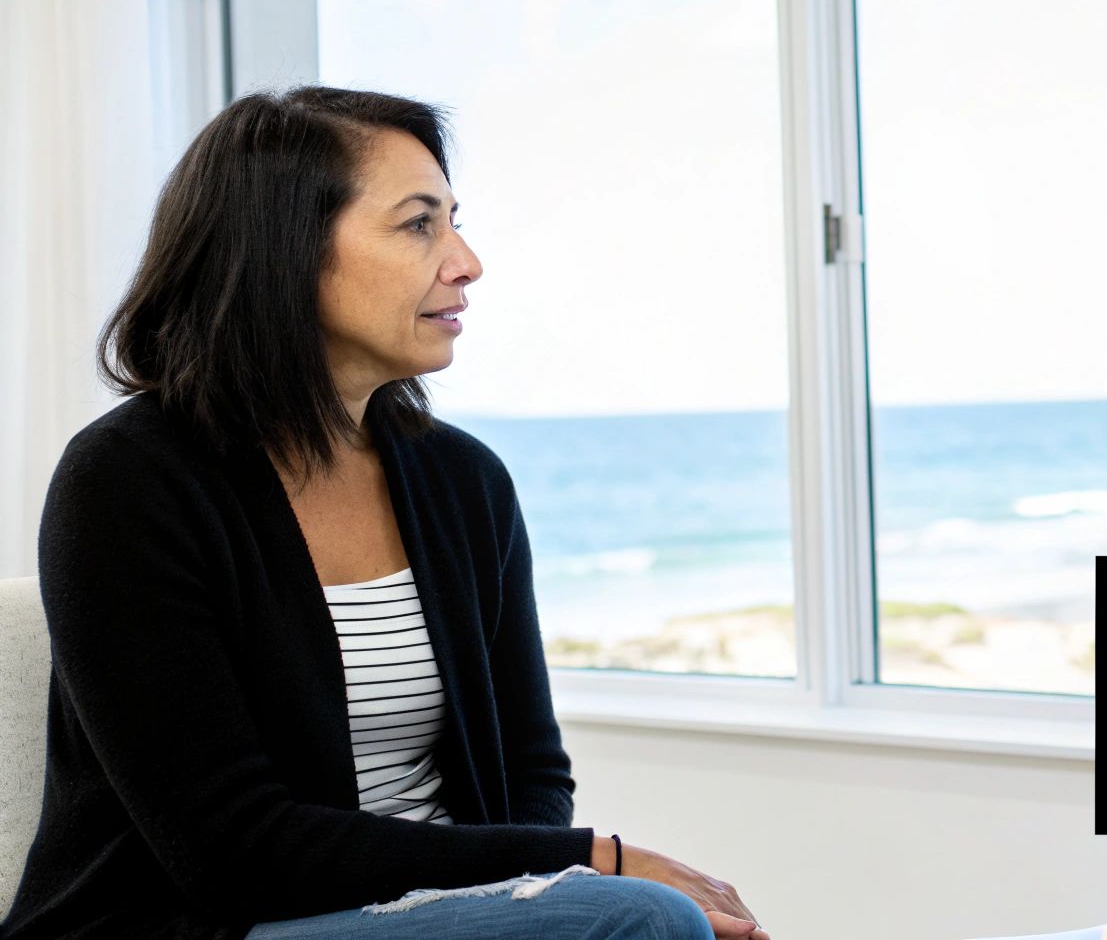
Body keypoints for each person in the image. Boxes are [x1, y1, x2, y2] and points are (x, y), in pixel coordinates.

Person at [0, 88, 769, 940]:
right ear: (285, 249)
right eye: (418, 225)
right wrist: (593, 862)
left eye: (454, 222)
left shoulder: (465, 481)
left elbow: (529, 769)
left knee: (650, 919)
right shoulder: (127, 482)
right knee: (640, 919)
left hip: (433, 910)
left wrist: (528, 893)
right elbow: (231, 852)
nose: (466, 262)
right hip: (205, 922)